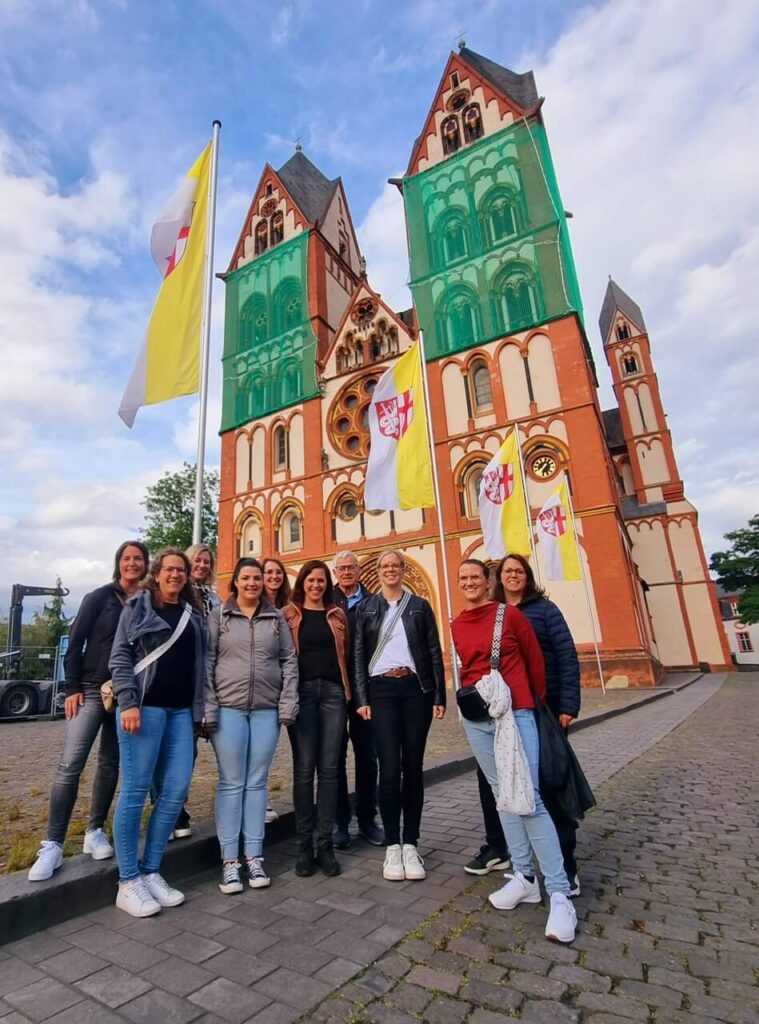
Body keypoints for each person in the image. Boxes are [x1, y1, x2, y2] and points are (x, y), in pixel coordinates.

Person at [451, 558, 576, 944]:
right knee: (502, 795)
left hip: (516, 710)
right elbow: (467, 668)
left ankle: (559, 892)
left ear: (489, 582)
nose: (469, 582)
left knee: (529, 797)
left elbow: (536, 664)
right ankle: (523, 876)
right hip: (477, 716)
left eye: (475, 576)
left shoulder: (511, 616)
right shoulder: (456, 623)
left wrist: (527, 702)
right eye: (463, 578)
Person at [28, 541, 149, 882]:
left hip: (125, 694)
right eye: (127, 559)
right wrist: (72, 687)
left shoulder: (145, 602)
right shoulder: (99, 597)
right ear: (118, 564)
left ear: (145, 565)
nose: (132, 564)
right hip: (94, 691)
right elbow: (76, 639)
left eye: (138, 559)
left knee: (110, 764)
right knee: (70, 764)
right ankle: (52, 843)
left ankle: (94, 830)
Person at [108, 548, 206, 918]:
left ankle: (151, 870)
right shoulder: (138, 606)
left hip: (180, 712)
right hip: (144, 709)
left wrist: (200, 711)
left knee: (176, 789)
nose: (176, 575)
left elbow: (200, 665)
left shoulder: (191, 615)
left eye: (181, 570)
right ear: (158, 572)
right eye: (170, 569)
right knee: (135, 790)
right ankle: (128, 880)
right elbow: (120, 656)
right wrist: (128, 701)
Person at [204, 558, 298, 893]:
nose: (252, 583)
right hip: (228, 709)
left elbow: (289, 659)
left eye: (257, 578)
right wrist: (209, 708)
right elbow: (208, 661)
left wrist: (287, 703)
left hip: (266, 711)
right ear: (236, 582)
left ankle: (254, 857)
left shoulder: (276, 617)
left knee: (257, 782)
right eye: (246, 578)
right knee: (232, 782)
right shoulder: (219, 616)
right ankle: (230, 862)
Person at [353, 551, 445, 883]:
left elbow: (434, 650)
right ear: (378, 572)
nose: (391, 570)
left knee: (413, 767)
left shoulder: (419, 606)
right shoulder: (366, 608)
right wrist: (361, 697)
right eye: (385, 567)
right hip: (381, 691)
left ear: (404, 570)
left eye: (396, 566)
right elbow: (359, 654)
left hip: (414, 690)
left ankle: (411, 843)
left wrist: (438, 694)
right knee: (389, 768)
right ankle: (393, 843)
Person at [493, 552, 582, 895]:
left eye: (519, 571)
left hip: (546, 707)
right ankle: (524, 868)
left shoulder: (544, 610)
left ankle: (567, 869)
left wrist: (568, 705)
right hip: (509, 713)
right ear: (499, 578)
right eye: (507, 572)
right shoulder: (496, 614)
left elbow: (566, 654)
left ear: (527, 577)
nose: (513, 576)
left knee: (551, 787)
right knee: (514, 789)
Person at [283, 560, 351, 877]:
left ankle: (325, 845)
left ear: (327, 583)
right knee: (303, 769)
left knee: (330, 769)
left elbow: (347, 654)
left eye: (321, 580)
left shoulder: (338, 615)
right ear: (303, 582)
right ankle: (303, 847)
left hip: (334, 693)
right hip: (303, 694)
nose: (316, 584)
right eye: (311, 579)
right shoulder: (289, 614)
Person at [161, 543, 221, 842]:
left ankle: (176, 808)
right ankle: (171, 811)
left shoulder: (214, 596)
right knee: (175, 752)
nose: (202, 565)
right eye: (197, 559)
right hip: (182, 676)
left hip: (207, 677)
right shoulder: (179, 593)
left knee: (194, 749)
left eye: (207, 561)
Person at [332, 549, 384, 850]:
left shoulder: (374, 602)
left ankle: (367, 820)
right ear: (336, 572)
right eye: (342, 568)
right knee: (335, 758)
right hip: (337, 691)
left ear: (358, 571)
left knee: (368, 757)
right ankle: (340, 821)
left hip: (367, 691)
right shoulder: (328, 601)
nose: (347, 572)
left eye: (352, 567)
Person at [260, 556, 293, 824]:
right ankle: (255, 800)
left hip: (281, 686)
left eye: (278, 572)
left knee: (267, 747)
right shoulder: (252, 604)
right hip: (258, 684)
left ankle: (261, 798)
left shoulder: (289, 607)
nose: (274, 577)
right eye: (268, 572)